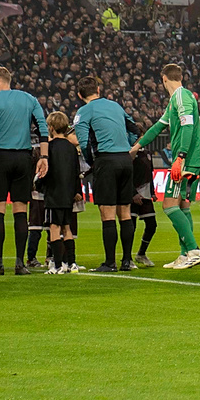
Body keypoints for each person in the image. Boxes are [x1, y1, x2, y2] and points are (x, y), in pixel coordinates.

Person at [131, 64, 200, 269]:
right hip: (191, 159)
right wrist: (136, 146)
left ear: (164, 79)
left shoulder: (181, 97)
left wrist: (180, 156)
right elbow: (157, 127)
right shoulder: (177, 99)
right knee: (183, 206)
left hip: (186, 160)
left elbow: (188, 126)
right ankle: (185, 254)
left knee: (169, 205)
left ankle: (193, 250)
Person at [0, 66, 49, 276]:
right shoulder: (29, 99)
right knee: (20, 210)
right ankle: (20, 264)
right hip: (23, 158)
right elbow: (42, 129)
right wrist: (43, 157)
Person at [71, 75, 140, 272]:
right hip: (125, 160)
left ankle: (110, 262)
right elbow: (135, 130)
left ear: (79, 95)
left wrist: (93, 162)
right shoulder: (116, 106)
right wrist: (127, 147)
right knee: (125, 212)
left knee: (107, 214)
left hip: (106, 161)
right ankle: (127, 261)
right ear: (98, 90)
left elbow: (84, 143)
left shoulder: (83, 112)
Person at [39, 111, 82, 273]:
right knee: (67, 228)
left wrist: (39, 184)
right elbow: (76, 171)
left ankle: (57, 265)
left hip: (54, 193)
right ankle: (72, 263)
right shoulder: (72, 149)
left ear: (50, 127)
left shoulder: (49, 148)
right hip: (68, 193)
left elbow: (45, 171)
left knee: (54, 228)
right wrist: (76, 191)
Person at [130, 136, 158, 266]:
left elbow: (149, 174)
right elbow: (126, 175)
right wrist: (133, 193)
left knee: (152, 225)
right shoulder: (129, 152)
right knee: (131, 226)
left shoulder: (147, 153)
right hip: (132, 195)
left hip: (145, 194)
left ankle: (141, 254)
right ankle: (127, 257)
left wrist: (152, 192)